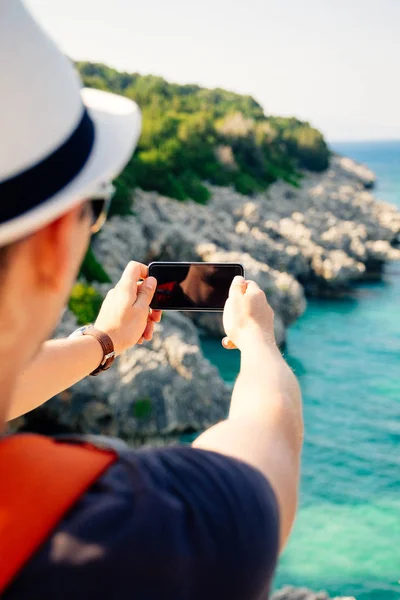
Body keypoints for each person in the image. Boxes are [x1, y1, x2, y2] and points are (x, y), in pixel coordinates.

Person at [0, 2, 303, 598]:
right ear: (59, 238)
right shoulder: (126, 532)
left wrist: (106, 340)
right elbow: (269, 451)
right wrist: (259, 341)